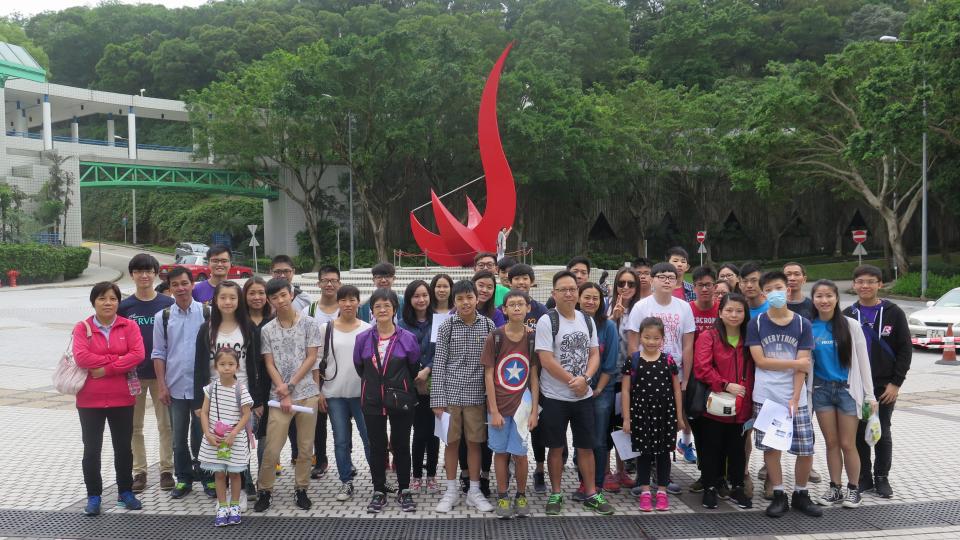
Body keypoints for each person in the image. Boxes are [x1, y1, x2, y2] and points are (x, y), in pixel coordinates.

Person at [536, 271, 613, 516]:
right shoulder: (547, 321)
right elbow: (545, 359)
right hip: (555, 397)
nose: (569, 293)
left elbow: (594, 354)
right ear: (554, 294)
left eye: (572, 289)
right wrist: (573, 380)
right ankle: (556, 493)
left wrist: (586, 379)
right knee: (556, 447)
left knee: (586, 447)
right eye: (563, 290)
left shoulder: (587, 320)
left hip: (583, 397)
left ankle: (591, 492)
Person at [747, 271, 822, 519]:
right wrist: (794, 364)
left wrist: (795, 396)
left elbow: (804, 366)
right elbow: (760, 361)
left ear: (787, 290)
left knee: (805, 448)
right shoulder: (756, 323)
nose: (775, 293)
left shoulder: (803, 324)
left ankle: (801, 493)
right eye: (768, 289)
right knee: (771, 448)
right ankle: (779, 493)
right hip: (766, 395)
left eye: (778, 287)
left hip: (795, 398)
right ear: (763, 294)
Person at [74, 282, 146, 516]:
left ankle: (125, 492)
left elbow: (138, 355)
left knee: (123, 449)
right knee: (92, 450)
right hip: (89, 400)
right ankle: (94, 496)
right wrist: (118, 358)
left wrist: (106, 368)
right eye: (102, 298)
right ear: (94, 301)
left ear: (118, 302)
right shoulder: (82, 327)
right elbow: (82, 358)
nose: (108, 303)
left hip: (122, 398)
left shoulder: (129, 326)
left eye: (113, 299)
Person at [842, 265, 911, 499]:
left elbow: (905, 350)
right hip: (856, 385)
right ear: (854, 284)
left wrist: (896, 383)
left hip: (884, 386)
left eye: (871, 281)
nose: (865, 286)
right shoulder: (847, 314)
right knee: (859, 431)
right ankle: (864, 478)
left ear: (880, 284)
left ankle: (882, 477)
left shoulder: (894, 312)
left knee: (882, 430)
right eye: (860, 281)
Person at [253, 278, 322, 512]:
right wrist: (282, 390)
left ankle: (301, 488)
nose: (280, 301)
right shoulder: (267, 329)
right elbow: (269, 362)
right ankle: (265, 490)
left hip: (306, 394)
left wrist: (289, 385)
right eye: (274, 297)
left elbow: (311, 357)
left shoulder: (310, 324)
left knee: (304, 447)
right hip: (278, 397)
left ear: (291, 293)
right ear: (269, 301)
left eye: (283, 295)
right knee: (272, 447)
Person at [810, 280, 877, 509]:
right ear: (814, 299)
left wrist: (870, 395)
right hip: (821, 391)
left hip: (848, 391)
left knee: (848, 443)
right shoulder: (809, 326)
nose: (824, 300)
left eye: (829, 295)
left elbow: (864, 362)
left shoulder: (850, 325)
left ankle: (853, 489)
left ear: (837, 298)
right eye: (819, 296)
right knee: (831, 443)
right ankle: (835, 488)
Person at [354, 288, 422, 513]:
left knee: (402, 445)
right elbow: (359, 367)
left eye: (387, 305)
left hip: (400, 399)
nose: (382, 309)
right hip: (372, 399)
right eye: (377, 306)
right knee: (377, 446)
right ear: (371, 311)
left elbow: (413, 368)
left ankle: (404, 489)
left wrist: (397, 385)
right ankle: (379, 490)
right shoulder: (363, 338)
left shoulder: (408, 338)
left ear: (395, 309)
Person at [432, 280, 496, 514]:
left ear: (477, 299)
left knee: (475, 443)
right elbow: (438, 364)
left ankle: (474, 491)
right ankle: (450, 490)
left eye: (469, 297)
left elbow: (491, 365)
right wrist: (437, 400)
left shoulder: (488, 325)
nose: (465, 302)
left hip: (476, 396)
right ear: (454, 301)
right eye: (460, 299)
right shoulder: (446, 326)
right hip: (449, 395)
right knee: (451, 443)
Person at [191, 281, 259, 502]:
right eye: (223, 298)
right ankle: (223, 495)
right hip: (215, 396)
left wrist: (257, 400)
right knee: (218, 444)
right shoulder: (207, 328)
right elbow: (199, 366)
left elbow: (256, 364)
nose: (228, 302)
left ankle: (242, 491)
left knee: (240, 443)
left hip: (242, 395)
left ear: (239, 301)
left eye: (232, 297)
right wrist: (197, 404)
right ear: (215, 301)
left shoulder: (248, 327)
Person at [625, 262, 696, 469]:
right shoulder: (641, 306)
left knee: (669, 422)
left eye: (671, 277)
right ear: (653, 280)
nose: (667, 280)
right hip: (645, 374)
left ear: (677, 282)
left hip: (674, 374)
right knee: (645, 421)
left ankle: (663, 471)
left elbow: (688, 345)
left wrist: (686, 380)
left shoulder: (684, 307)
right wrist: (635, 373)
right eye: (662, 276)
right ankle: (644, 468)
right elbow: (633, 342)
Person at [119, 254, 175, 493]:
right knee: (134, 426)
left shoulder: (167, 304)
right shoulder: (125, 307)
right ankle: (139, 471)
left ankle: (166, 470)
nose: (144, 275)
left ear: (155, 274)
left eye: (148, 271)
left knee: (166, 425)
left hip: (164, 375)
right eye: (139, 271)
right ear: (132, 275)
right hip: (134, 375)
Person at [153, 266, 210, 499]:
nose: (180, 288)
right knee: (178, 439)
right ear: (170, 288)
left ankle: (207, 478)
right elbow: (158, 353)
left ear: (192, 284)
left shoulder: (207, 313)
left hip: (202, 389)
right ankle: (184, 479)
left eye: (184, 283)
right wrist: (162, 386)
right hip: (175, 387)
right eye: (175, 284)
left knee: (202, 436)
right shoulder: (163, 317)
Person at [693, 293, 754, 510]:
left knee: (737, 448)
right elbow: (701, 368)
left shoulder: (750, 338)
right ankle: (710, 487)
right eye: (729, 310)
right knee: (711, 447)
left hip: (742, 404)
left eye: (739, 310)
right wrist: (726, 384)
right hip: (715, 404)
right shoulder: (709, 336)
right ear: (720, 312)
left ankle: (737, 487)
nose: (734, 315)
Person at [482, 289, 539, 519]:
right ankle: (503, 495)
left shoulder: (532, 337)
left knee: (521, 454)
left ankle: (521, 494)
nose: (516, 307)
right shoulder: (495, 337)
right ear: (503, 310)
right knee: (501, 453)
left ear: (528, 308)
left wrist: (534, 409)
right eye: (511, 304)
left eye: (520, 304)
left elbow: (534, 375)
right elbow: (488, 375)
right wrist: (493, 410)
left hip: (522, 408)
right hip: (499, 407)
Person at [621, 317, 684, 512]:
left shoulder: (668, 359)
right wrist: (626, 418)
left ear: (662, 339)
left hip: (665, 413)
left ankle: (662, 491)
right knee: (644, 454)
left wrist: (679, 417)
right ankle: (646, 491)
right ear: (640, 337)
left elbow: (676, 390)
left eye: (656, 338)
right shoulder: (633, 359)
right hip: (641, 414)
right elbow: (625, 390)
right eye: (647, 337)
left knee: (664, 453)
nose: (651, 341)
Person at [319, 285, 372, 502]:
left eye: (352, 300)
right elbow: (317, 362)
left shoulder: (368, 329)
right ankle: (346, 481)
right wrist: (318, 391)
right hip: (334, 394)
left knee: (369, 439)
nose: (348, 304)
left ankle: (378, 479)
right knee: (341, 440)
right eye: (344, 300)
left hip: (362, 394)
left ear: (359, 302)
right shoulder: (326, 328)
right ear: (338, 303)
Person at [573, 283, 619, 501]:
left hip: (601, 391)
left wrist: (598, 388)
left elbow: (611, 364)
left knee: (598, 440)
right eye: (587, 297)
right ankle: (584, 483)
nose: (591, 302)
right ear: (578, 298)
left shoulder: (608, 327)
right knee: (582, 440)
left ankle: (596, 485)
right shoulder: (570, 323)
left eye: (596, 298)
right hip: (574, 391)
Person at [197, 349, 253, 527]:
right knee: (219, 474)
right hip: (216, 440)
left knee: (235, 474)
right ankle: (222, 506)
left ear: (237, 367)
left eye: (231, 364)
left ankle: (235, 506)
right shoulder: (211, 388)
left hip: (234, 442)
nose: (226, 368)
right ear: (216, 367)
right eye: (222, 364)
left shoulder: (240, 389)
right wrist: (207, 433)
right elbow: (204, 412)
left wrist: (234, 433)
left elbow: (246, 414)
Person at [602, 267, 641, 493]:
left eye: (630, 284)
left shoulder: (639, 309)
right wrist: (612, 318)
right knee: (607, 425)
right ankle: (606, 472)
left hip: (630, 377)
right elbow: (597, 333)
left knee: (624, 424)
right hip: (609, 376)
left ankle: (622, 470)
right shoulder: (606, 305)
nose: (625, 288)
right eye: (621, 283)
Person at [398, 280, 439, 494]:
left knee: (433, 432)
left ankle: (431, 475)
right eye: (416, 296)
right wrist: (417, 375)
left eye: (424, 295)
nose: (421, 299)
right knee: (418, 432)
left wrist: (427, 370)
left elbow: (442, 351)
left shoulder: (439, 321)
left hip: (436, 384)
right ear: (409, 299)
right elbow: (400, 355)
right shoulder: (402, 324)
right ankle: (416, 476)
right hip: (412, 386)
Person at [301, 265, 341, 479]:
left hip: (341, 372)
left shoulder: (346, 307)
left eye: (333, 280)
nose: (329, 284)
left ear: (339, 284)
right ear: (318, 283)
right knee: (318, 422)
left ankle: (346, 460)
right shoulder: (309, 311)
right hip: (314, 373)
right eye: (325, 280)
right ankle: (321, 460)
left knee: (342, 419)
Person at [507, 263, 549, 329]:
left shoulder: (541, 310)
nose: (521, 282)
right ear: (509, 282)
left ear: (532, 282)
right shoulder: (502, 310)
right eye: (516, 278)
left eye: (525, 278)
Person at [690, 266, 719, 338]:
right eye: (700, 285)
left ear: (715, 287)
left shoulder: (722, 309)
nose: (704, 289)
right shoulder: (687, 309)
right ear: (693, 288)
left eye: (708, 285)